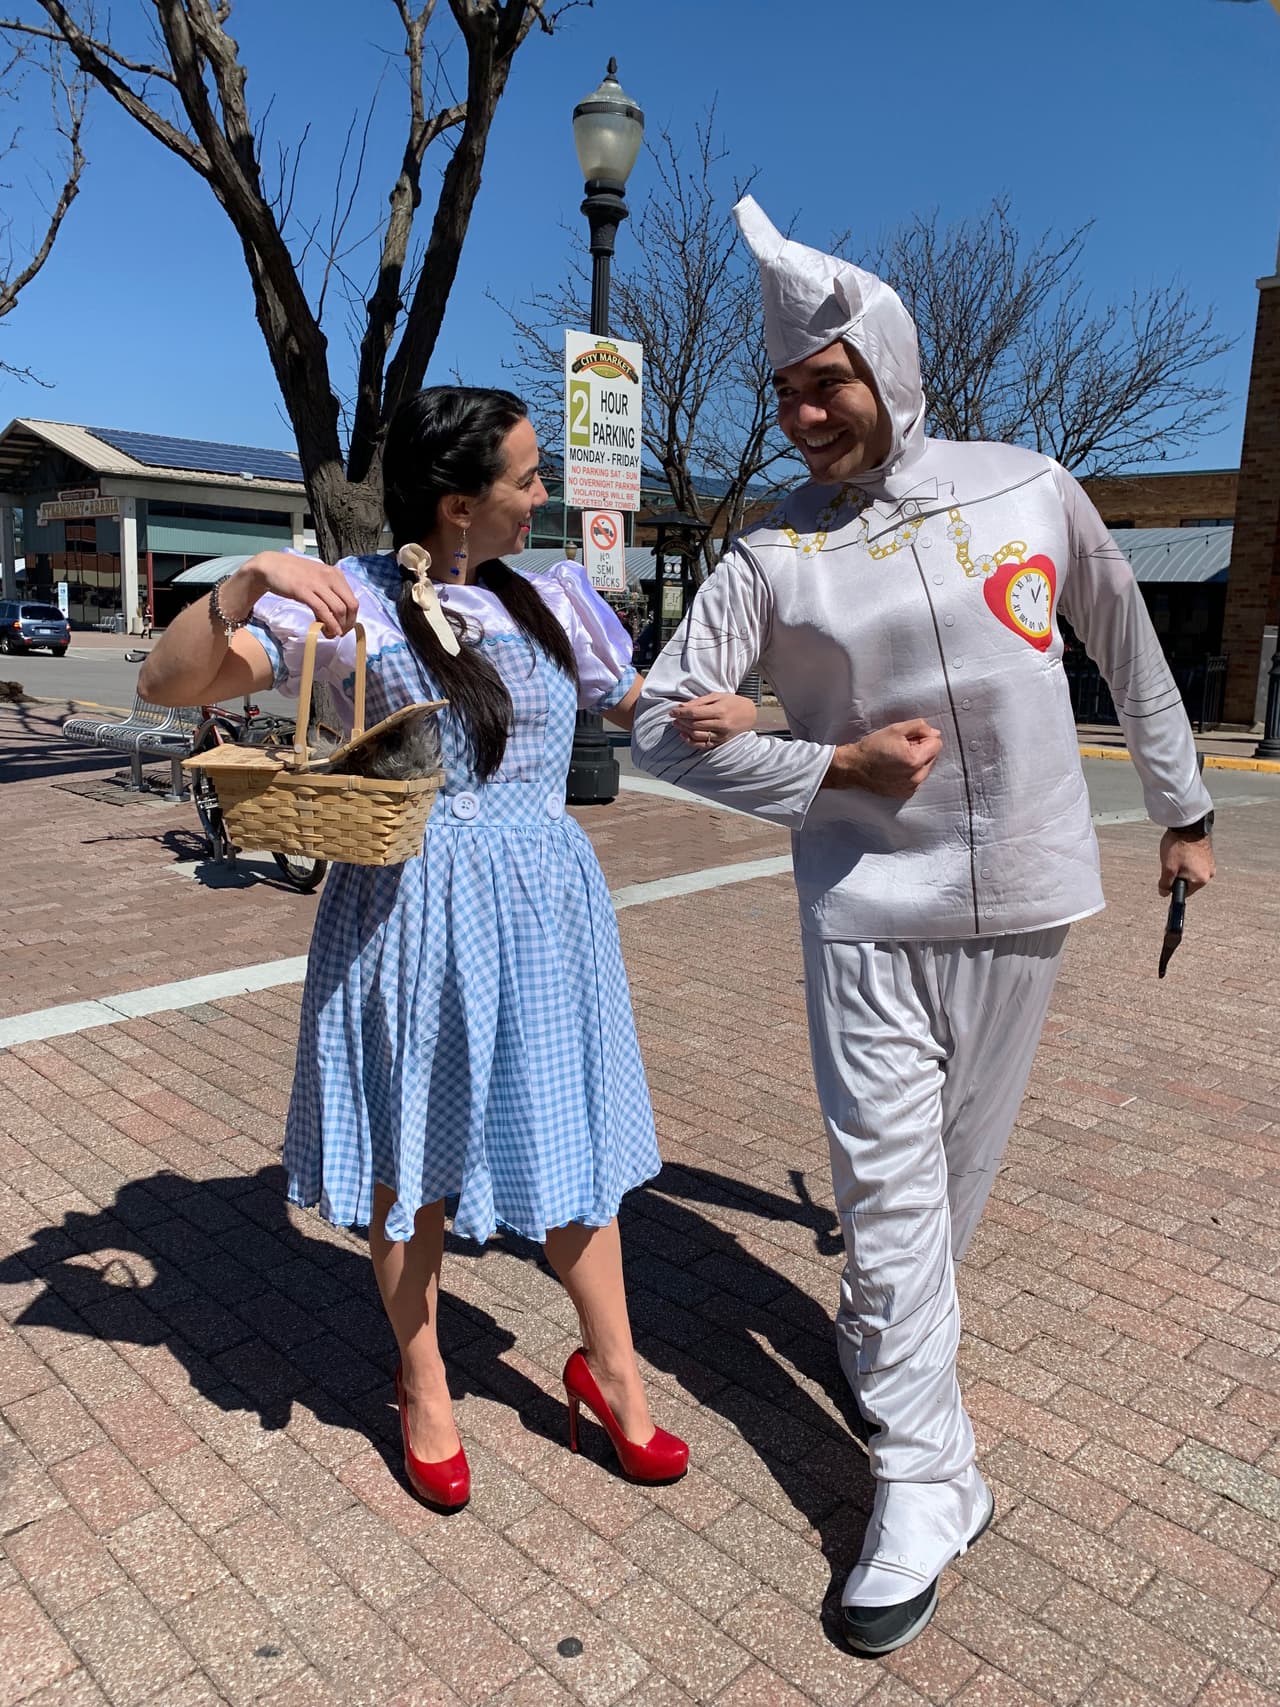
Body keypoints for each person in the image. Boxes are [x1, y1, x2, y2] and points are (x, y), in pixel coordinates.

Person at [631, 200, 1216, 1655]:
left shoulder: (1027, 486)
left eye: (824, 381)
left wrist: (1183, 811)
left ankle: (897, 1366)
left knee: (940, 1203)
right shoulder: (773, 555)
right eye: (783, 392)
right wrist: (825, 761)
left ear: (887, 367)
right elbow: (650, 720)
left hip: (1027, 897)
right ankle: (921, 1480)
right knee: (892, 1208)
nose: (803, 413)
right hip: (865, 913)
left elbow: (1127, 640)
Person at [138, 385, 756, 1509]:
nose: (544, 496)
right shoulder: (349, 608)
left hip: (544, 909)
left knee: (567, 1139)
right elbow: (166, 681)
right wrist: (248, 581)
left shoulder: (555, 595)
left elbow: (645, 711)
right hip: (404, 908)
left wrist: (751, 714)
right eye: (527, 479)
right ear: (460, 504)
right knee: (407, 1158)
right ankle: (421, 1378)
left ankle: (612, 1370)